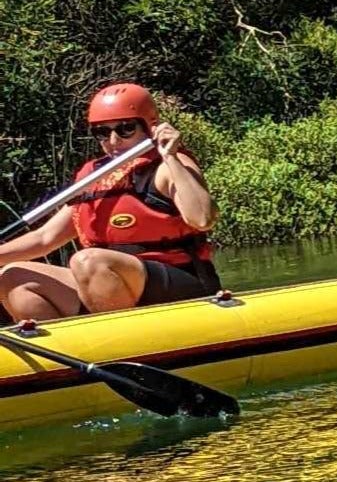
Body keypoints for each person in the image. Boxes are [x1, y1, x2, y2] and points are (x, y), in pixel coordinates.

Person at [0, 82, 221, 320]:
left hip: (177, 279)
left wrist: (170, 156)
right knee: (12, 276)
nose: (113, 140)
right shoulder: (93, 176)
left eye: (125, 129)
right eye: (102, 132)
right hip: (103, 282)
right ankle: (74, 349)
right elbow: (45, 238)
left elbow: (202, 218)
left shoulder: (169, 166)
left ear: (150, 127)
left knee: (88, 261)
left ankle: (125, 341)